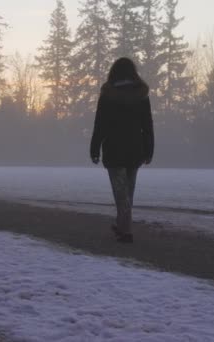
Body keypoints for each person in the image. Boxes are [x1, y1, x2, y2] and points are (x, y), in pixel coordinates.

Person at [90, 57, 154, 243]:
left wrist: (94, 148)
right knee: (128, 191)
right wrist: (149, 149)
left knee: (120, 192)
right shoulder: (141, 95)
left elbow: (100, 124)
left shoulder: (108, 95)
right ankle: (122, 224)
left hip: (114, 148)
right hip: (135, 148)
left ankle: (125, 231)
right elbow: (147, 124)